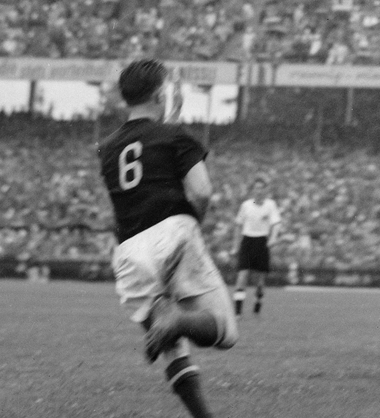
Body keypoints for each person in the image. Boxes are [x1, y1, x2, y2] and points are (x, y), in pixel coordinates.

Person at [98, 59, 237, 418]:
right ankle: (179, 319)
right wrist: (195, 226)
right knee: (223, 330)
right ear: (161, 93)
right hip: (173, 233)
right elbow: (202, 191)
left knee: (172, 348)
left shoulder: (107, 147)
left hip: (129, 248)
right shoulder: (175, 135)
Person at [233, 177, 282, 317]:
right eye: (257, 188)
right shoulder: (246, 205)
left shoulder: (270, 205)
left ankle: (257, 305)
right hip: (247, 241)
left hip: (262, 241)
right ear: (253, 190)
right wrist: (235, 246)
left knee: (260, 280)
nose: (259, 191)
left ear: (266, 190)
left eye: (262, 188)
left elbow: (276, 223)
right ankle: (237, 312)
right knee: (242, 275)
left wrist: (272, 238)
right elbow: (238, 225)